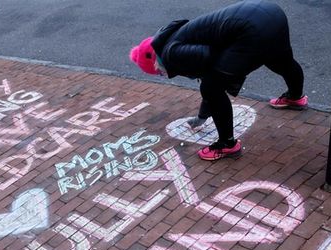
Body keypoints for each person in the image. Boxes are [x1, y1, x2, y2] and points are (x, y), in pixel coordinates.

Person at [130, 0, 307, 161]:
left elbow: (209, 62)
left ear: (155, 64)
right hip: (272, 13)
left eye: (158, 73)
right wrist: (203, 114)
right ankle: (295, 97)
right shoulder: (174, 36)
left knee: (211, 88)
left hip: (251, 30)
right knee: (280, 60)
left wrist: (205, 109)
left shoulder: (171, 54)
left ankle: (227, 145)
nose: (162, 75)